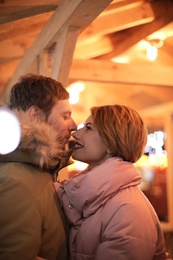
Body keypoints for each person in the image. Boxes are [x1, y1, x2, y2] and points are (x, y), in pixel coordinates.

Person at [54, 104, 167, 260]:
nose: (76, 133)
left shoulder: (128, 210)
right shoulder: (93, 198)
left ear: (110, 142)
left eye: (88, 128)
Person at [0, 74, 77, 260]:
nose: (74, 125)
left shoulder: (41, 169)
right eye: (65, 116)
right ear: (35, 115)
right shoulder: (15, 180)